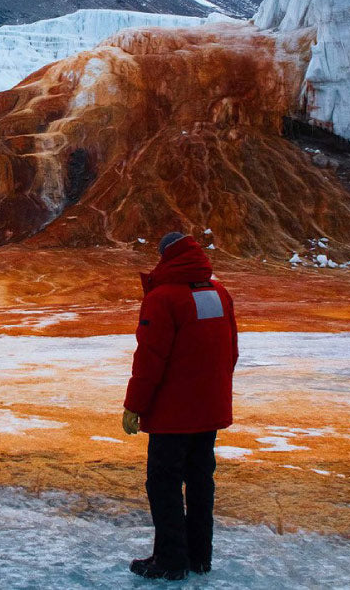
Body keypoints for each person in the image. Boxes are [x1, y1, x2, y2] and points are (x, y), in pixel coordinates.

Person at [122, 232, 239, 580]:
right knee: (201, 481)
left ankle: (170, 560)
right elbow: (230, 351)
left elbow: (150, 359)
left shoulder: (163, 298)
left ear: (166, 257)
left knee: (164, 484)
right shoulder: (219, 294)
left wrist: (134, 406)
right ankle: (199, 557)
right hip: (209, 411)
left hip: (173, 416)